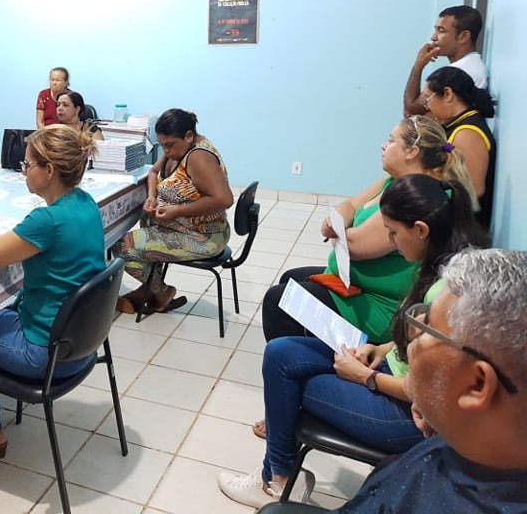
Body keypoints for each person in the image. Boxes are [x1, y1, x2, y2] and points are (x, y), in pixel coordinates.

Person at [219, 174, 489, 508]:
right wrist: (381, 348)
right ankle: (282, 475)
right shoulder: (437, 264)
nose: (390, 240)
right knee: (280, 353)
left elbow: (429, 393)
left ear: (420, 229)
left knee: (285, 381)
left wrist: (366, 377)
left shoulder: (447, 292)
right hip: (391, 370)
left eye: (393, 233)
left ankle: (275, 481)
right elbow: (413, 343)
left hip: (403, 414)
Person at [0, 125, 105, 456]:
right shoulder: (84, 203)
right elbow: (26, 244)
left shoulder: (47, 219)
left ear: (49, 170)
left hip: (44, 355)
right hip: (80, 346)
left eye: (27, 165)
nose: (23, 171)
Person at [331, 249, 527, 512]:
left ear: (476, 384)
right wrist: (443, 412)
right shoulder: (485, 443)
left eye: (428, 326)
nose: (413, 331)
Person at [261, 116, 478, 344]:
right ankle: (302, 353)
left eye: (391, 140)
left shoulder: (417, 197)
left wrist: (340, 229)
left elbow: (354, 246)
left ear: (412, 151)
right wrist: (341, 227)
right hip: (356, 283)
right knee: (289, 279)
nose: (383, 146)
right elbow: (349, 205)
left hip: (381, 302)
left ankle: (301, 361)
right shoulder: (393, 181)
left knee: (278, 301)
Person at [112, 108, 233, 315]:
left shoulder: (198, 157)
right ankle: (150, 288)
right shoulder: (178, 150)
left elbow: (224, 199)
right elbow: (153, 172)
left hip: (204, 236)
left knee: (122, 247)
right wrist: (151, 197)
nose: (166, 151)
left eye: (169, 145)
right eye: (162, 145)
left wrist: (177, 211)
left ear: (188, 136)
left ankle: (161, 292)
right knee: (146, 223)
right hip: (181, 227)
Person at [423, 66, 496, 227]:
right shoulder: (457, 125)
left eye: (428, 98)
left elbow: (473, 190)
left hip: (467, 229)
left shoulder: (468, 133)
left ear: (448, 94)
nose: (427, 106)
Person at [403, 5, 487, 116]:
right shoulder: (467, 65)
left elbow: (411, 111)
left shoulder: (463, 71)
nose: (433, 37)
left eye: (441, 31)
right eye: (435, 30)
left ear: (464, 36)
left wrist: (419, 65)